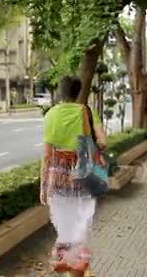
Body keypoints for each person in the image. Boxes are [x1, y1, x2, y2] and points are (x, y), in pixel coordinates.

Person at [40, 76, 107, 276]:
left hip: (57, 174)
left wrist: (43, 186)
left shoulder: (50, 114)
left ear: (60, 92)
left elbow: (46, 155)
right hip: (82, 173)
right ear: (77, 92)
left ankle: (69, 268)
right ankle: (76, 270)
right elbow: (103, 141)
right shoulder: (85, 110)